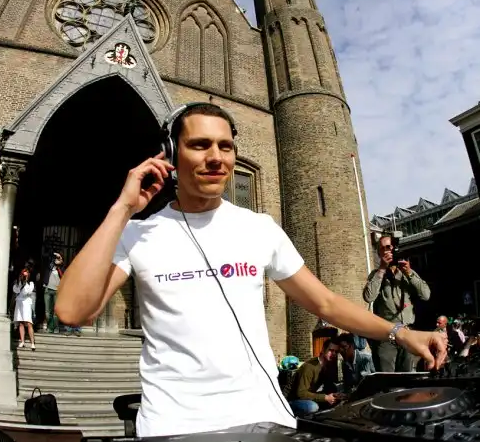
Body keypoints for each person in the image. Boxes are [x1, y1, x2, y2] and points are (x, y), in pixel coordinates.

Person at [55, 102, 447, 437]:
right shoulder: (138, 233)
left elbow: (325, 303)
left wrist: (401, 333)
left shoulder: (260, 228)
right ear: (171, 154)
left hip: (265, 422)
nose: (216, 157)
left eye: (225, 146)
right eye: (200, 145)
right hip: (174, 426)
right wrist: (122, 209)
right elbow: (73, 311)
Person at [363, 236, 431, 372]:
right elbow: (368, 297)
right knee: (387, 376)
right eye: (382, 248)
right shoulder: (376, 274)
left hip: (407, 333)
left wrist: (409, 272)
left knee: (407, 376)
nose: (386, 251)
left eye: (388, 247)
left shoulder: (406, 272)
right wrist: (382, 269)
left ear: (394, 248)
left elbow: (426, 295)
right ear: (379, 253)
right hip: (387, 334)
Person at [282, 338, 341, 416]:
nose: (333, 354)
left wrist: (336, 395)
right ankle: (292, 417)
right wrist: (325, 397)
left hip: (307, 397)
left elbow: (329, 387)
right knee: (312, 407)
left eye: (336, 352)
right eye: (331, 350)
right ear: (323, 350)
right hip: (291, 400)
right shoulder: (310, 366)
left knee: (337, 402)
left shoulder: (328, 366)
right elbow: (301, 393)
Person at [14, 268, 36, 351]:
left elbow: (28, 292)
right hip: (19, 302)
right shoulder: (18, 282)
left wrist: (26, 281)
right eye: (24, 273)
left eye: (27, 273)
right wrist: (20, 282)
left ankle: (32, 343)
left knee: (29, 322)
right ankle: (22, 341)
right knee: (21, 323)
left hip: (26, 303)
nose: (25, 274)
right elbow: (16, 290)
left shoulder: (31, 283)